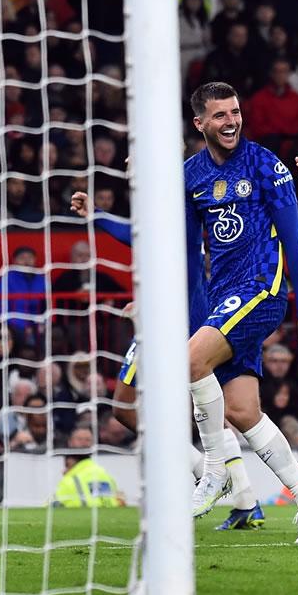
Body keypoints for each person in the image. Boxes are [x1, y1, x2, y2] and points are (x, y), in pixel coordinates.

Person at [184, 82, 298, 546]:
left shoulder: (266, 166)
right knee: (243, 411)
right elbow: (189, 257)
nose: (231, 121)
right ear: (200, 123)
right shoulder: (190, 175)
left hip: (262, 289)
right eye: (220, 115)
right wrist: (197, 318)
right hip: (221, 300)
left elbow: (294, 243)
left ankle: (214, 472)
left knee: (191, 362)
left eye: (235, 112)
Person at [70, 184, 264, 532]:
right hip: (169, 315)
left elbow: (141, 238)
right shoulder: (163, 208)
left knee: (137, 407)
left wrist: (96, 216)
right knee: (175, 409)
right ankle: (238, 494)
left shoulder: (174, 204)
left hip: (176, 322)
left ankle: (223, 484)